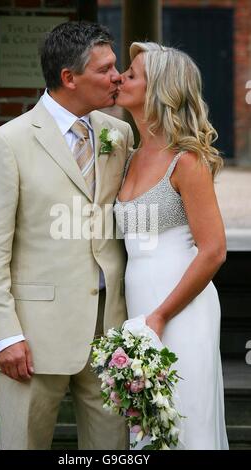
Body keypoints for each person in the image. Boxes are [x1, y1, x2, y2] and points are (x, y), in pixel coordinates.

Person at [0, 21, 134, 450]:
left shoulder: (118, 135)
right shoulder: (7, 143)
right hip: (32, 338)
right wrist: (4, 334)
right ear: (69, 77)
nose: (118, 76)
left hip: (109, 331)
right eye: (106, 69)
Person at [114, 42, 229, 450]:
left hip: (180, 308)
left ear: (159, 90)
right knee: (148, 427)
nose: (121, 77)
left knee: (185, 422)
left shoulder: (187, 160)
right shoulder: (128, 153)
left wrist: (161, 315)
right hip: (140, 305)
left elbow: (214, 249)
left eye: (132, 73)